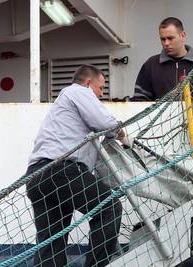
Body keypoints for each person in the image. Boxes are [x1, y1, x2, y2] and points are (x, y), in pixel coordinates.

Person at [26, 64, 124, 267]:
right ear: (89, 83)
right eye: (101, 88)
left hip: (37, 177)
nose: (101, 94)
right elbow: (106, 123)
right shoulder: (77, 91)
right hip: (61, 170)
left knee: (51, 242)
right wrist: (122, 134)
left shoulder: (65, 106)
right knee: (109, 206)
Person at [132, 17, 193, 100]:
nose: (166, 43)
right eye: (163, 39)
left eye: (170, 38)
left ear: (183, 36)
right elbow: (140, 99)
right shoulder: (151, 65)